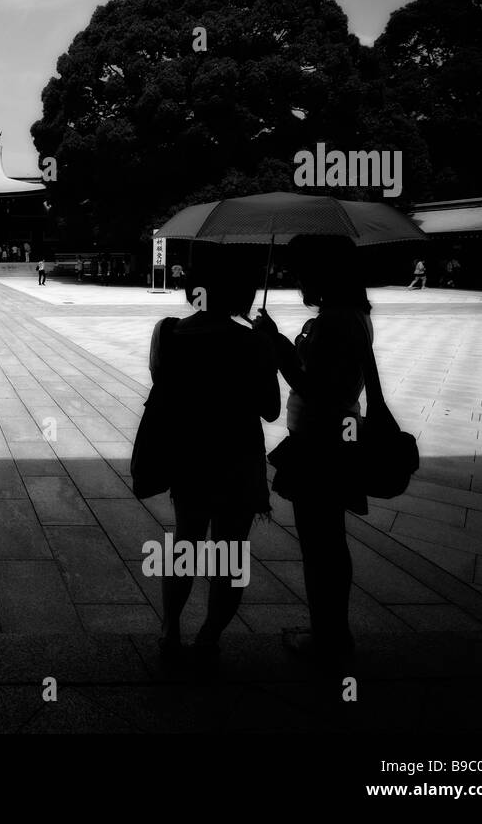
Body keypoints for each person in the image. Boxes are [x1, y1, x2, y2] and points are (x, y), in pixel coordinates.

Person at [149, 245, 279, 673]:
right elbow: (270, 409)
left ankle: (170, 632)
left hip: (191, 453)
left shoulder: (169, 333)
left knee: (186, 540)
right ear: (241, 295)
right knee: (230, 549)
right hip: (238, 457)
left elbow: (163, 387)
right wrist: (267, 347)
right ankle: (208, 637)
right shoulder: (253, 344)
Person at [254, 235, 374, 668]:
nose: (299, 278)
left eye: (305, 270)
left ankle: (328, 638)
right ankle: (331, 631)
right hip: (335, 433)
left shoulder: (335, 323)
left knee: (320, 542)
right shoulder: (351, 316)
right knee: (328, 540)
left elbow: (314, 387)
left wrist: (278, 348)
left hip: (323, 440)